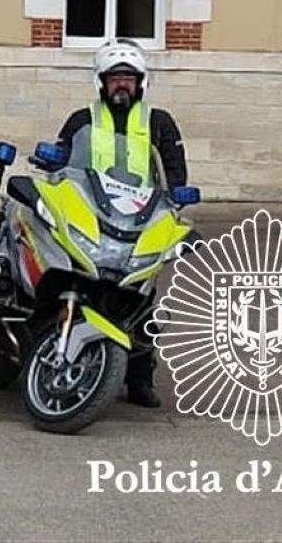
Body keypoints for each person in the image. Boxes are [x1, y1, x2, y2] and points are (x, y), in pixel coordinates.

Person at [55, 38, 188, 409]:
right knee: (70, 276)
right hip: (93, 215)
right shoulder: (83, 119)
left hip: (141, 220)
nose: (122, 85)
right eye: (115, 78)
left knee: (142, 300)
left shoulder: (159, 122)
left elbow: (175, 175)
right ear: (101, 81)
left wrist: (176, 198)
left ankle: (140, 379)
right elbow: (61, 162)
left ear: (141, 82)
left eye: (129, 78)